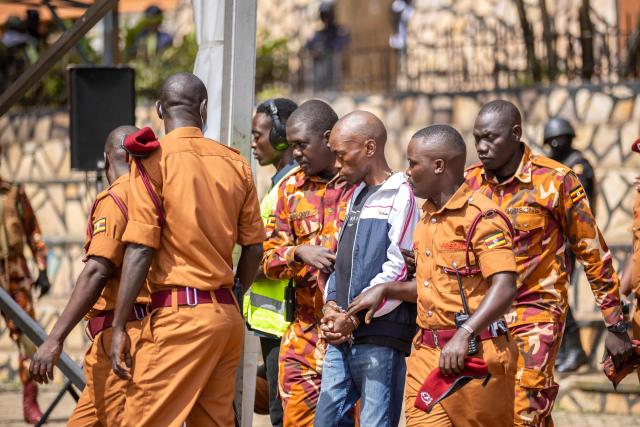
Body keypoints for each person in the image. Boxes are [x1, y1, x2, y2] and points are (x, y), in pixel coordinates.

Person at [109, 72, 265, 426]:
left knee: (140, 419)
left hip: (180, 317)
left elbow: (140, 247)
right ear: (204, 110)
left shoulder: (152, 160)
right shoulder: (236, 161)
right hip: (225, 317)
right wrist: (236, 293)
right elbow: (254, 248)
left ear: (160, 109)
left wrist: (120, 327)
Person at [465, 100, 632, 426]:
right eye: (477, 139)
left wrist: (615, 323)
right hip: (485, 315)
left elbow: (593, 253)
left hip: (537, 310)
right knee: (498, 411)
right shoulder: (470, 183)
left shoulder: (556, 180)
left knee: (526, 408)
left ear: (516, 133)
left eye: (491, 138)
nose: (482, 147)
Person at [348, 124, 519, 426]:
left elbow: (504, 288)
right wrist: (388, 289)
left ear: (439, 166)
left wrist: (465, 333)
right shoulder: (426, 217)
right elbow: (431, 288)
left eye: (414, 163)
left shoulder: (482, 217)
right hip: (426, 356)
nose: (408, 171)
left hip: (474, 356)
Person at [29, 125, 148, 426]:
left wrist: (54, 340)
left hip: (120, 340)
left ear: (106, 159)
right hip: (133, 335)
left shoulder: (116, 198)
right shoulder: (155, 197)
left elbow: (97, 270)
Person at [314, 111, 418, 426]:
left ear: (369, 149)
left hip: (379, 338)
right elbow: (340, 260)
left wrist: (352, 318)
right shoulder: (358, 194)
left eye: (341, 154)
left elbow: (398, 267)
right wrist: (331, 304)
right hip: (343, 335)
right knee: (327, 421)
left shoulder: (402, 194)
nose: (335, 164)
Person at [262, 99, 354, 426]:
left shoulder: (363, 188)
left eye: (302, 145)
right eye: (292, 146)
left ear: (329, 138)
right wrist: (297, 253)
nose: (295, 154)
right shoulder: (289, 190)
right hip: (302, 337)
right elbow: (263, 255)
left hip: (352, 338)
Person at [244, 97, 298, 426]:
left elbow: (279, 253)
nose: (253, 142)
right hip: (271, 324)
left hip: (286, 325)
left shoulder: (292, 187)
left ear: (281, 135)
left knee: (284, 417)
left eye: (258, 134)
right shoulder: (277, 184)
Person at [0, 144, 50, 423]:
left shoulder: (13, 192)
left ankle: (30, 404)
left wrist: (43, 269)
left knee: (30, 341)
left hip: (15, 277)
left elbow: (33, 231)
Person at [543, 117, 596, 373]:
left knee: (558, 293)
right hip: (553, 242)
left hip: (570, 240)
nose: (554, 143)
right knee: (553, 294)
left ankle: (574, 350)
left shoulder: (578, 166)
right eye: (551, 140)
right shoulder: (557, 165)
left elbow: (573, 209)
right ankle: (565, 350)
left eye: (559, 138)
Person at [305, 1, 350, 92]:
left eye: (328, 14)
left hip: (332, 68)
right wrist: (315, 50)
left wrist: (327, 49)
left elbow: (340, 44)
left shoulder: (339, 30)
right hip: (319, 72)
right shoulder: (319, 33)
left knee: (333, 89)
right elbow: (309, 45)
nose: (326, 17)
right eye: (324, 14)